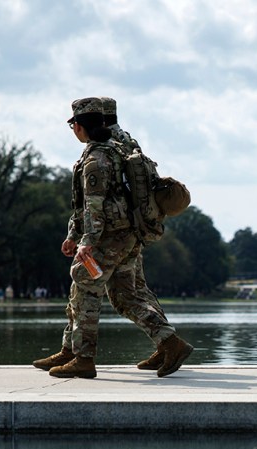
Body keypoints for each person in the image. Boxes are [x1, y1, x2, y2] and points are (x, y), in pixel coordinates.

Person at [33, 98, 192, 379]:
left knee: (84, 285)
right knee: (125, 295)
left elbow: (94, 207)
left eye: (72, 125)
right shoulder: (116, 150)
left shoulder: (96, 159)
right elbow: (84, 206)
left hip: (109, 237)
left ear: (80, 127)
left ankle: (83, 358)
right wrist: (73, 234)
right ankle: (167, 343)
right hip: (126, 235)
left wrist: (86, 243)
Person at [99, 96, 182, 372]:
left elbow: (102, 194)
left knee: (121, 296)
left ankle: (169, 342)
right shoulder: (130, 141)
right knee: (138, 291)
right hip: (136, 228)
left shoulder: (105, 147)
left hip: (115, 230)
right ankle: (165, 345)